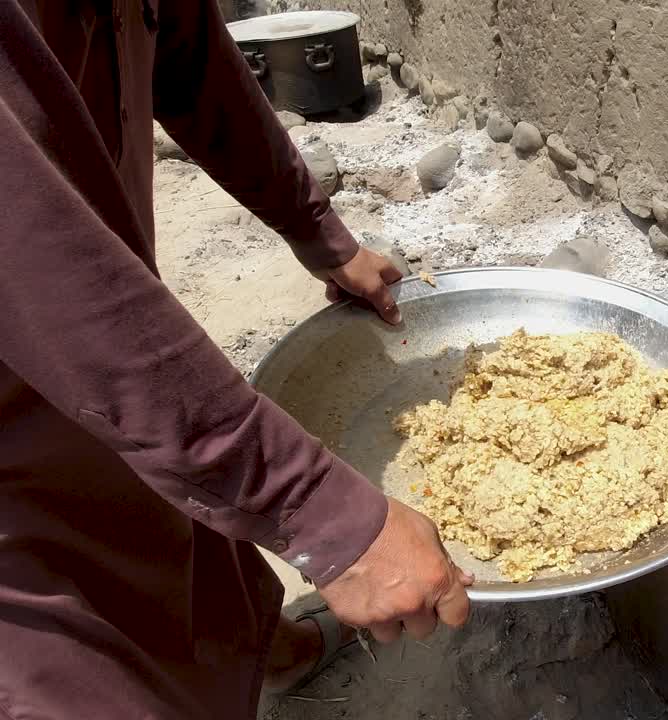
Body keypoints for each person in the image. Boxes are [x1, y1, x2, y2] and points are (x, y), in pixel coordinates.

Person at [0, 1, 471, 717]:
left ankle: (263, 652)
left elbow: (179, 45)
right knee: (69, 660)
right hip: (23, 375)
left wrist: (312, 224)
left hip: (99, 319)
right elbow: (31, 257)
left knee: (163, 482)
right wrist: (317, 510)